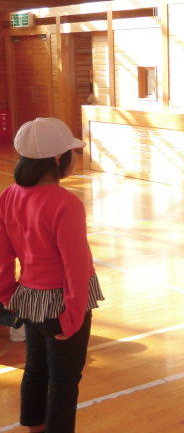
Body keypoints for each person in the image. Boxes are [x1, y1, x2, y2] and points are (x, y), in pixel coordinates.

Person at [0, 117, 104, 433]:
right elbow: (75, 266)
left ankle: (35, 427)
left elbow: (3, 254)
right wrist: (73, 315)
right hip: (62, 303)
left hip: (30, 298)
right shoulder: (65, 203)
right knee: (64, 380)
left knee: (36, 369)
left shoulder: (9, 195)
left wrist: (8, 294)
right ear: (58, 158)